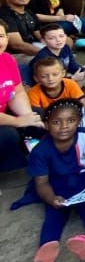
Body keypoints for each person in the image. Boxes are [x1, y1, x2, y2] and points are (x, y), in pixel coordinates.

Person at [28, 99, 85, 262]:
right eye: (56, 122)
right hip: (56, 185)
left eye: (70, 120)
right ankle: (45, 252)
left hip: (83, 180)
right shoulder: (40, 151)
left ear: (79, 121)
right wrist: (52, 198)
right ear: (46, 125)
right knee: (54, 213)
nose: (64, 126)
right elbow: (42, 183)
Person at [0, 19, 44, 172]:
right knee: (8, 134)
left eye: (1, 36)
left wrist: (28, 117)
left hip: (5, 114)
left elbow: (17, 91)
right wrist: (18, 121)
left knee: (40, 117)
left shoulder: (6, 59)